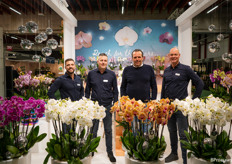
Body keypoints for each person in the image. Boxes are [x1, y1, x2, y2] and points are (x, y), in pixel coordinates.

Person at [161, 47, 204, 164]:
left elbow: (200, 83)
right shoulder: (166, 71)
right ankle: (174, 154)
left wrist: (194, 100)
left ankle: (185, 159)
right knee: (171, 131)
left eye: (175, 54)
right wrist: (162, 105)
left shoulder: (186, 69)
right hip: (169, 107)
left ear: (179, 55)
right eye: (171, 55)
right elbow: (164, 89)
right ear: (169, 56)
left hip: (181, 107)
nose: (173, 57)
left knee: (183, 134)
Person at [85, 53, 118, 162]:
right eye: (101, 60)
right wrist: (86, 103)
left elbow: (115, 91)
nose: (103, 62)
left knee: (108, 130)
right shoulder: (91, 74)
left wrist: (115, 104)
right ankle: (91, 149)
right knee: (93, 130)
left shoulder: (112, 74)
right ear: (97, 61)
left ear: (107, 62)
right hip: (95, 106)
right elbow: (87, 90)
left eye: (105, 60)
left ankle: (110, 152)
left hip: (108, 106)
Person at [48, 58, 84, 133]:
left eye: (72, 64)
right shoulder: (61, 79)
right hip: (66, 112)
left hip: (77, 110)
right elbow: (50, 92)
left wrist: (81, 103)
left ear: (75, 66)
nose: (70, 66)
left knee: (74, 133)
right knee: (66, 133)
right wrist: (58, 105)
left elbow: (81, 90)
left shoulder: (78, 79)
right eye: (68, 65)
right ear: (65, 67)